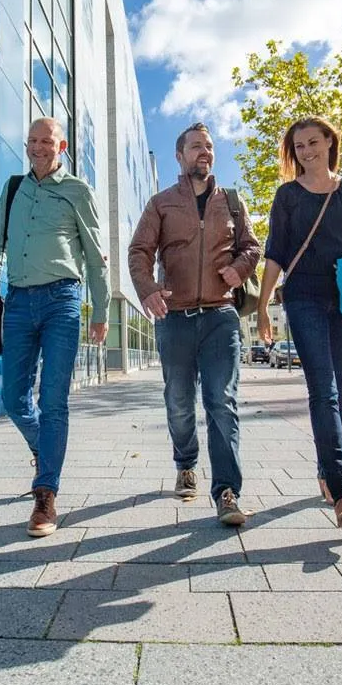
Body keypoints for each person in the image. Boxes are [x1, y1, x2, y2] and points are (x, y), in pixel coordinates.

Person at [256, 116, 342, 530]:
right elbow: (276, 252)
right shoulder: (288, 196)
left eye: (314, 142)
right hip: (304, 299)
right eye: (299, 146)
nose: (307, 151)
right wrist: (263, 305)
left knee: (341, 390)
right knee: (323, 389)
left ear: (331, 142)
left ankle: (326, 469)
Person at [0, 117, 109, 538]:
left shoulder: (78, 191)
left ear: (62, 146)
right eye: (32, 140)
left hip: (61, 302)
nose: (38, 147)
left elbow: (94, 255)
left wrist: (102, 309)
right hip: (16, 302)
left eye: (46, 141)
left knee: (53, 400)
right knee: (14, 398)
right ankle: (44, 447)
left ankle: (45, 493)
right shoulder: (13, 188)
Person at [128, 123, 261, 526]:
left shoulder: (233, 202)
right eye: (196, 146)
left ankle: (226, 491)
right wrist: (148, 289)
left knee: (222, 402)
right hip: (176, 319)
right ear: (180, 155)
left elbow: (252, 246)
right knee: (180, 403)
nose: (204, 152)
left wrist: (240, 268)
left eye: (209, 146)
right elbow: (139, 251)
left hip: (221, 316)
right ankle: (186, 463)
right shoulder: (161, 203)